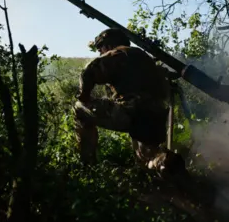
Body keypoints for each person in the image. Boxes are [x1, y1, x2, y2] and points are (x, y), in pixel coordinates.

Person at [73, 28, 186, 177]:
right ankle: (166, 162)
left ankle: (87, 168)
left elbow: (88, 72)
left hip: (131, 113)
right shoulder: (145, 59)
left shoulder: (118, 53)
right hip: (155, 116)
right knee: (148, 158)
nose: (100, 52)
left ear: (108, 45)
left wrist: (84, 96)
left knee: (79, 108)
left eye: (100, 48)